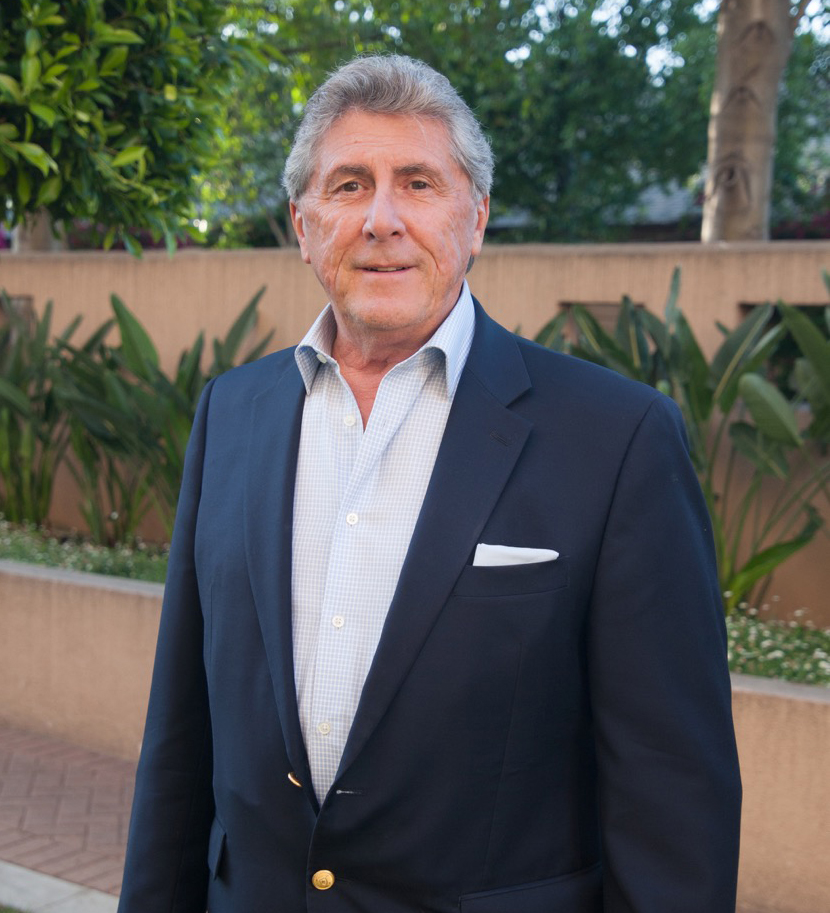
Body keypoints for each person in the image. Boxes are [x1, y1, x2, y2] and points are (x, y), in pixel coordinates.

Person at [118, 55, 741, 913]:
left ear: (474, 217)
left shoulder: (617, 438)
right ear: (303, 225)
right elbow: (179, 739)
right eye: (348, 186)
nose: (382, 220)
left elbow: (673, 791)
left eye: (418, 183)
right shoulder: (232, 413)